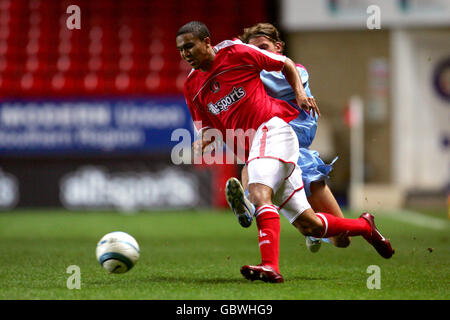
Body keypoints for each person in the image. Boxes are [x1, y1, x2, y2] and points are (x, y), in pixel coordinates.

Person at [176, 21, 394, 283]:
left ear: (207, 42)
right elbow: (208, 127)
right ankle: (365, 227)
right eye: (180, 50)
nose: (185, 53)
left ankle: (269, 262)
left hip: (273, 130)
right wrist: (201, 143)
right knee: (309, 224)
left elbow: (286, 65)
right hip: (254, 148)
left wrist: (300, 93)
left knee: (259, 191)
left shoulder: (236, 53)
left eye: (189, 46)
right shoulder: (192, 87)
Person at [225, 23, 349, 252]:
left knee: (341, 239)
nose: (259, 54)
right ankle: (248, 204)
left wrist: (236, 52)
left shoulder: (294, 70)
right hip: (274, 141)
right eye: (254, 51)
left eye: (264, 47)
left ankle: (318, 231)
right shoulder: (252, 72)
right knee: (253, 157)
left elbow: (262, 77)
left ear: (278, 47)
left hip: (297, 133)